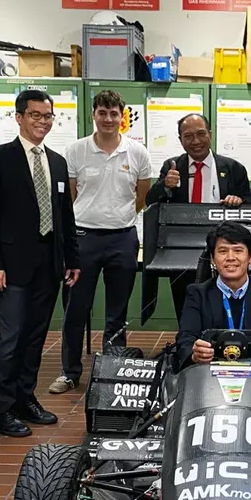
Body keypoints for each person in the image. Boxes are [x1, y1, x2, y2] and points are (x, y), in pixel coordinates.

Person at [0, 89, 80, 437]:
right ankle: (1, 410)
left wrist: (72, 258)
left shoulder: (58, 162)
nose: (42, 121)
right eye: (35, 115)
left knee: (35, 337)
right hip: (11, 267)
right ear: (19, 117)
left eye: (48, 116)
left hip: (49, 265)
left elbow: (65, 217)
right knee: (9, 340)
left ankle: (25, 399)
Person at [49, 90, 153, 395]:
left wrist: (118, 217)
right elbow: (69, 198)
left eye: (113, 113)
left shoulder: (138, 152)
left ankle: (113, 368)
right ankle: (70, 372)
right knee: (75, 309)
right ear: (94, 114)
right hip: (83, 238)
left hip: (123, 238)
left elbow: (141, 197)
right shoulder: (76, 150)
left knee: (116, 312)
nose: (108, 119)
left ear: (122, 117)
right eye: (102, 113)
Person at [144, 113, 251, 322]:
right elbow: (150, 202)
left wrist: (238, 200)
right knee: (186, 307)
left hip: (223, 251)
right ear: (180, 140)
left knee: (225, 307)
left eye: (201, 134)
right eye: (188, 136)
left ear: (210, 134)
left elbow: (250, 203)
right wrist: (164, 185)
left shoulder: (233, 168)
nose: (195, 141)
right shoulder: (172, 166)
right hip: (181, 249)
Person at [175, 222, 251, 374]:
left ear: (250, 257)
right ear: (212, 259)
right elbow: (185, 340)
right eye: (223, 251)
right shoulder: (197, 294)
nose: (230, 258)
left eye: (238, 251)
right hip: (209, 377)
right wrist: (194, 354)